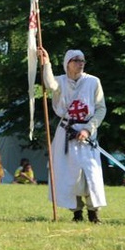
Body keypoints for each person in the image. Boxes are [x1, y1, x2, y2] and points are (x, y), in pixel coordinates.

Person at [39, 47, 106, 223]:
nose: (80, 63)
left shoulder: (93, 82)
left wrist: (88, 129)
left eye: (82, 60)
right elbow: (49, 84)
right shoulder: (60, 82)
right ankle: (76, 212)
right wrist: (46, 63)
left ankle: (94, 212)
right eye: (76, 60)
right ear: (67, 64)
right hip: (66, 134)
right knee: (68, 174)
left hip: (87, 135)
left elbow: (100, 109)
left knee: (90, 173)